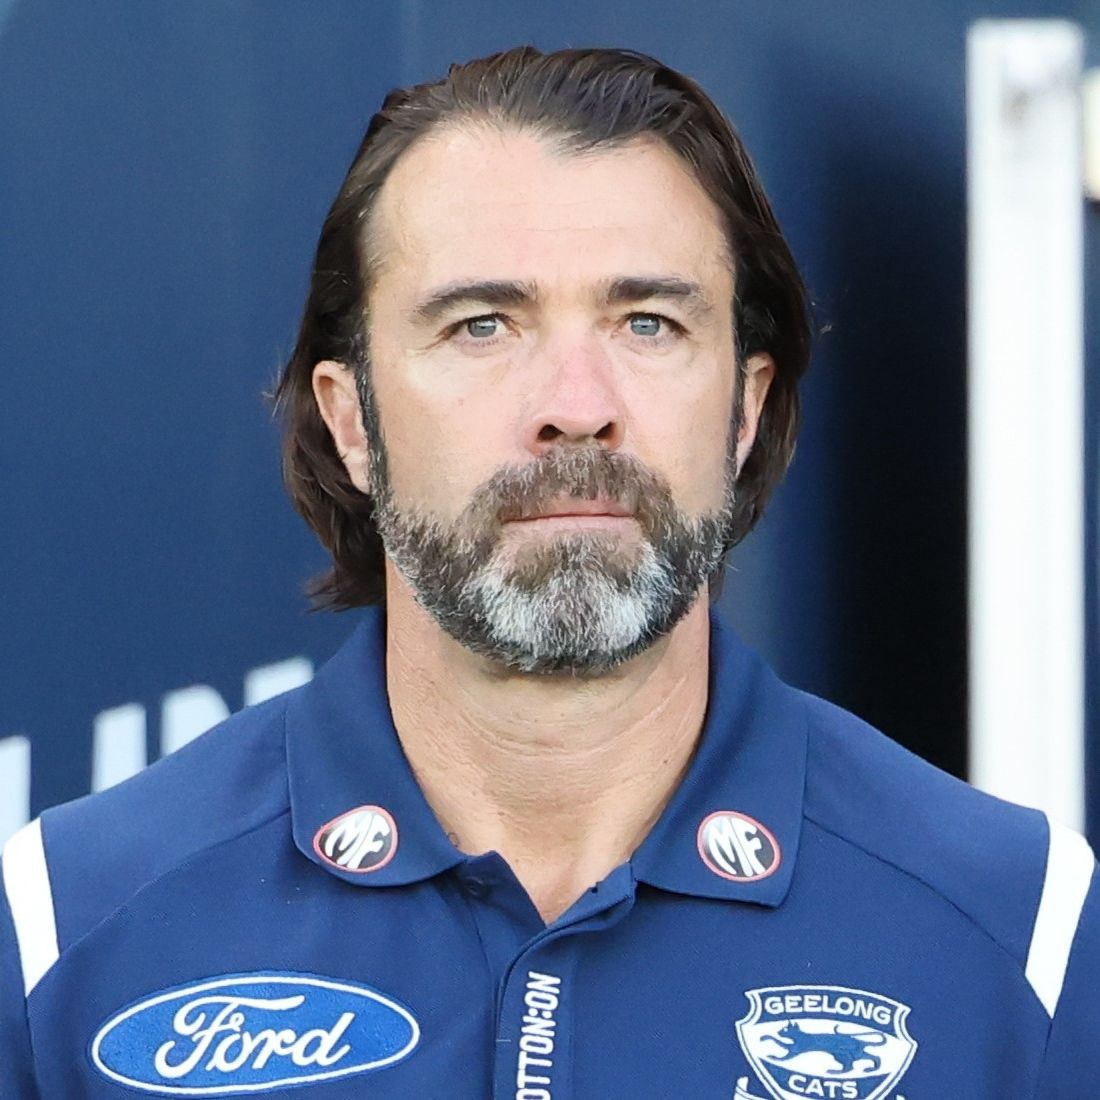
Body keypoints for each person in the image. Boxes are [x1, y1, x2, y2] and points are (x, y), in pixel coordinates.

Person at [0, 46, 1095, 1100]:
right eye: (483, 324)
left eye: (648, 322)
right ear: (351, 421)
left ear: (745, 408)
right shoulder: (68, 931)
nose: (577, 404)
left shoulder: (1022, 935)